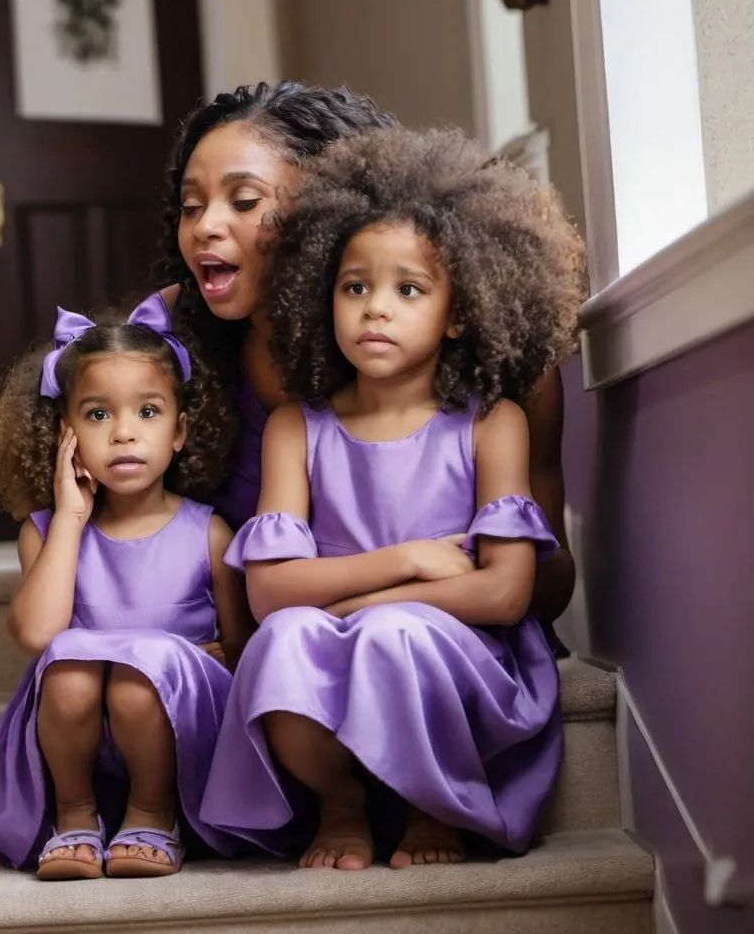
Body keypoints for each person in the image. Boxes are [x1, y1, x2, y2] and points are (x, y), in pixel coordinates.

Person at [198, 126, 588, 870]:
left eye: (408, 289)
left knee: (394, 636)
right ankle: (341, 802)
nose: (376, 308)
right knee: (282, 647)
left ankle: (429, 804)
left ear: (461, 311)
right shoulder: (297, 428)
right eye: (355, 287)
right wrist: (407, 560)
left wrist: (351, 610)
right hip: (341, 635)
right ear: (323, 294)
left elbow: (505, 595)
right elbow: (274, 595)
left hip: (460, 657)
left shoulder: (488, 423)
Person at [154, 81, 578, 632]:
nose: (206, 225)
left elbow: (546, 581)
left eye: (244, 201)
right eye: (191, 205)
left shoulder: (498, 364)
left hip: (450, 640)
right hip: (286, 637)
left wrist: (394, 601)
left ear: (330, 203)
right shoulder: (171, 333)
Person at [0, 293, 252, 879]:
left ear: (180, 431)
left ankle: (154, 814)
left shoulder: (208, 532)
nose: (124, 433)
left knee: (138, 678)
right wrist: (72, 518)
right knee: (69, 663)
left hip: (176, 725)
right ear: (66, 434)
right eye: (98, 415)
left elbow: (242, 652)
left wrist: (182, 660)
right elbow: (36, 632)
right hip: (82, 723)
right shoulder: (48, 534)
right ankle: (75, 815)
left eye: (147, 413)